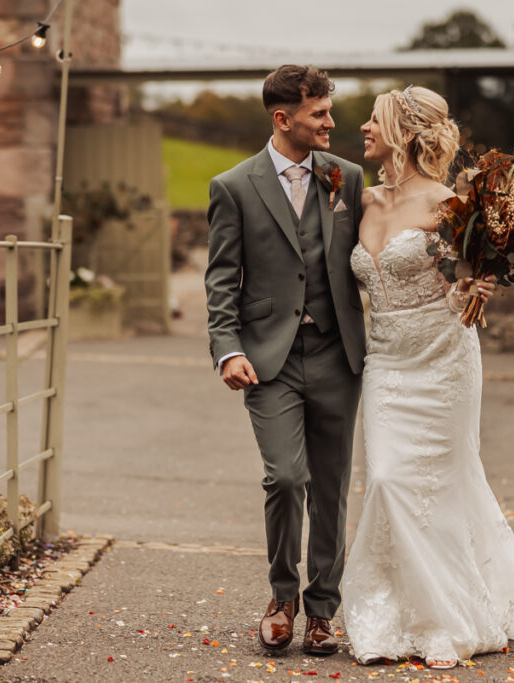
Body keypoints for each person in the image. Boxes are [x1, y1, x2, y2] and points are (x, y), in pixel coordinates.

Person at [341, 86, 514, 669]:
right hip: (386, 362)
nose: (363, 129)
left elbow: (467, 278)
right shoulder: (359, 200)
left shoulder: (453, 204)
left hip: (444, 357)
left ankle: (443, 616)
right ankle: (395, 607)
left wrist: (477, 285)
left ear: (402, 131)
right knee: (387, 481)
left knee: (441, 485)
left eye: (373, 121)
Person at [204, 65, 366, 657]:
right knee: (286, 477)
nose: (331, 121)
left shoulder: (346, 178)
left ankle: (324, 611)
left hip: (337, 353)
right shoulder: (234, 185)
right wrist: (228, 348)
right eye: (319, 113)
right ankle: (282, 596)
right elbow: (222, 277)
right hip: (268, 359)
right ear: (283, 118)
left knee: (331, 485)